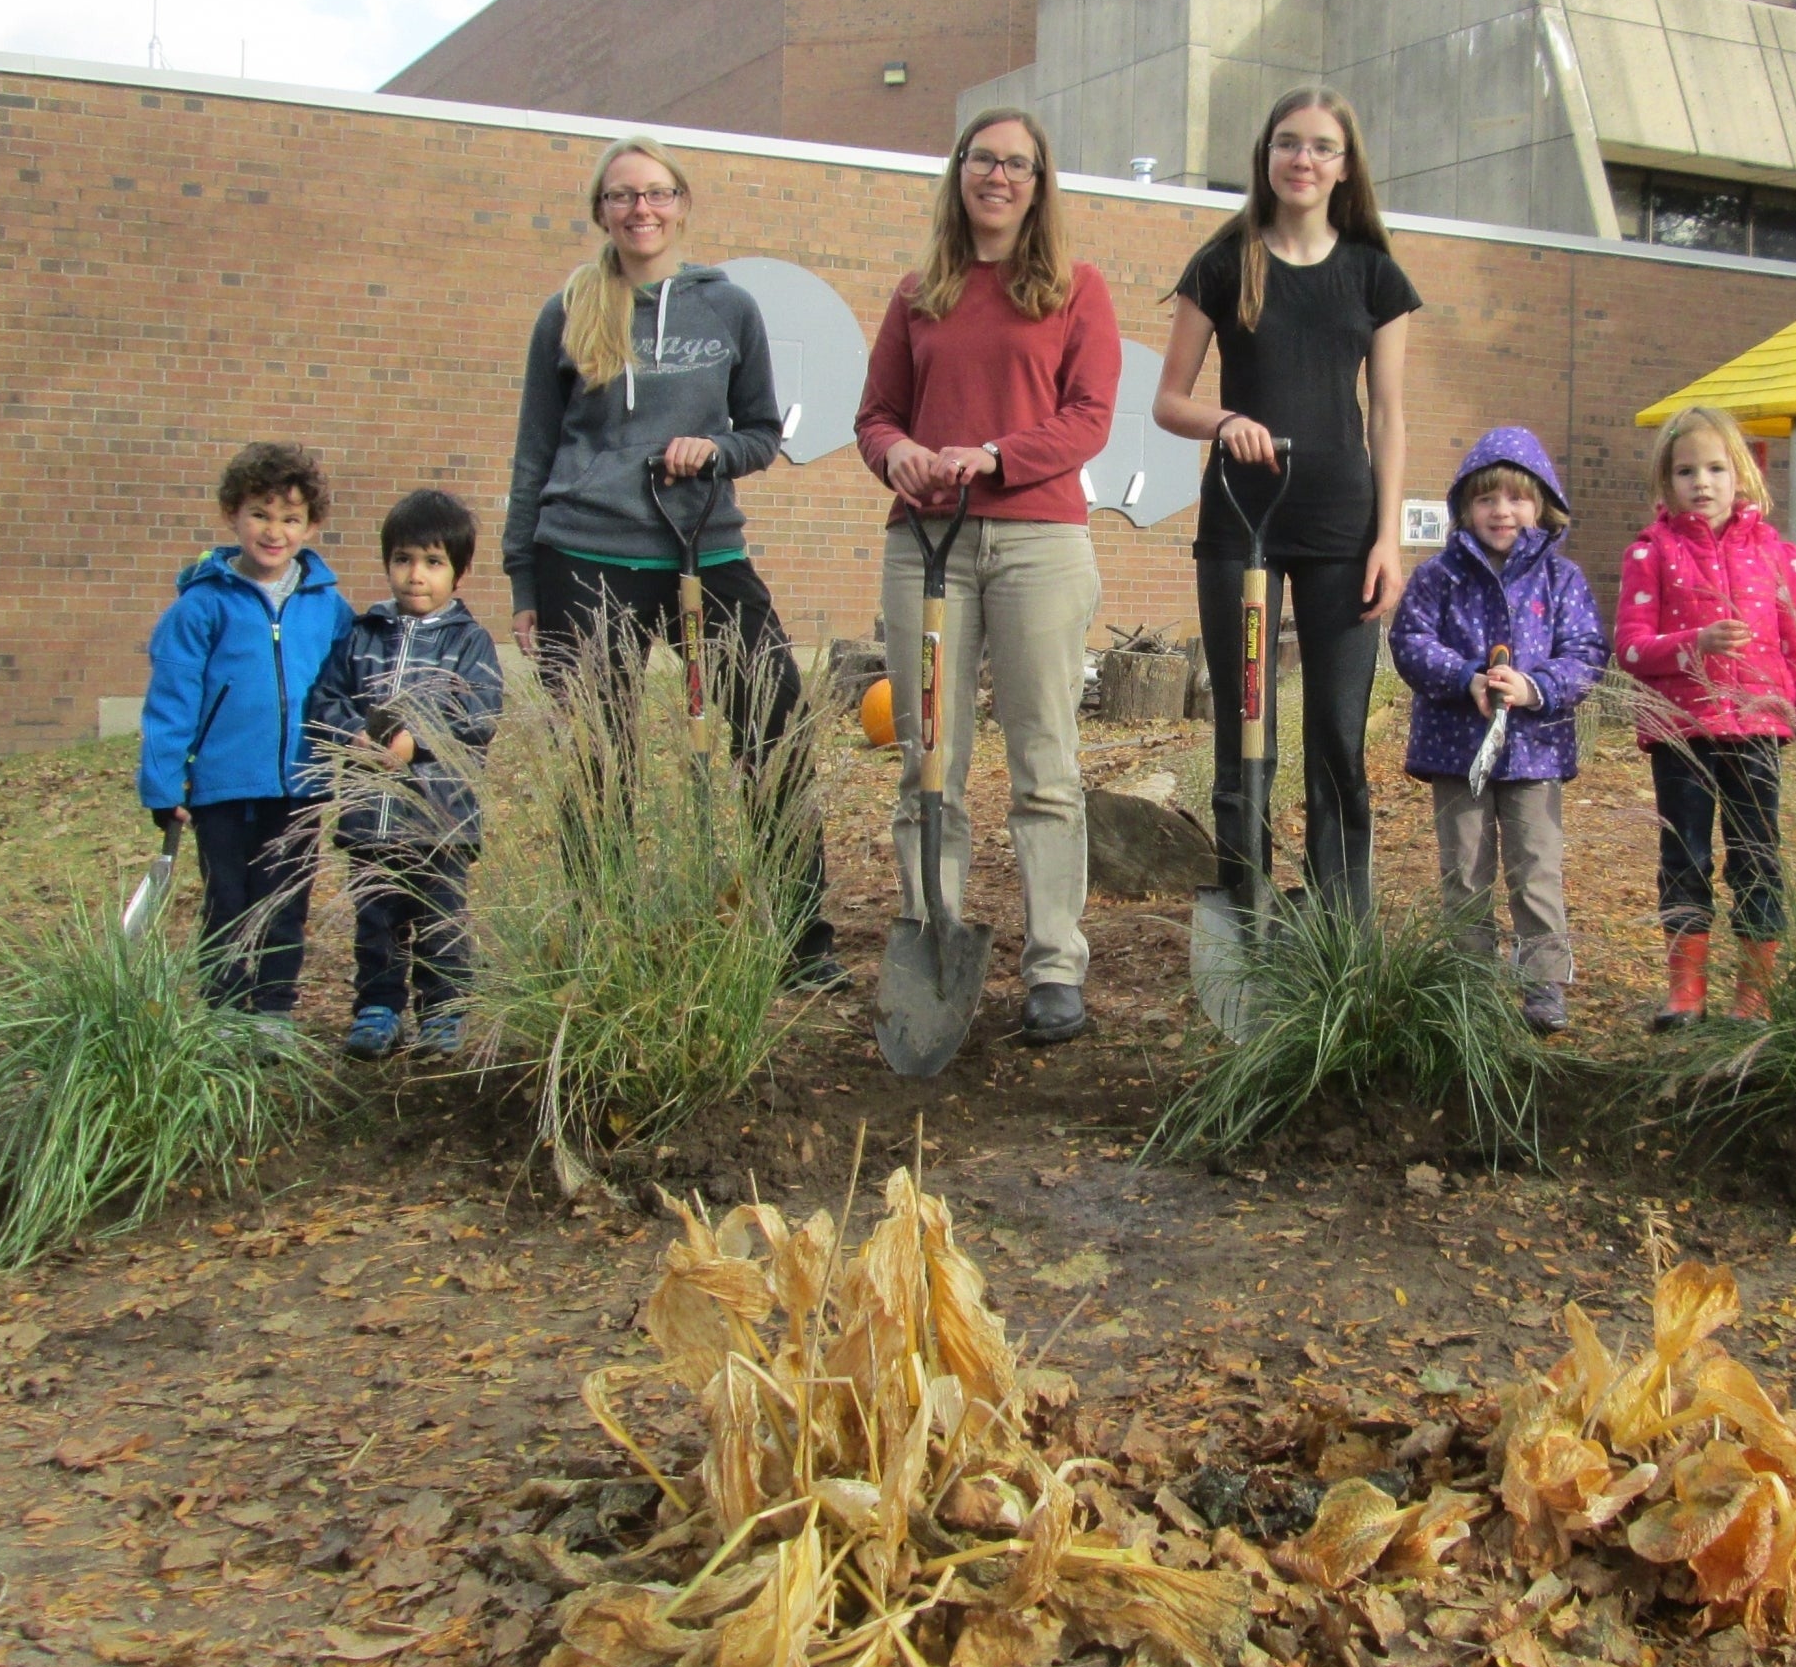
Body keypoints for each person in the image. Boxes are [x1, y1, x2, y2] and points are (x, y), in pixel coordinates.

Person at [502, 134, 840, 987]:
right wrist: (521, 577)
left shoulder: (729, 308)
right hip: (583, 552)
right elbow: (534, 451)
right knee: (598, 751)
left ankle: (800, 931)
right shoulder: (567, 310)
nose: (640, 209)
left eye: (655, 193)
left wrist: (715, 451)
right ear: (601, 212)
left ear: (682, 204)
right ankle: (603, 930)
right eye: (622, 196)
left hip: (703, 546)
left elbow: (763, 431)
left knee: (774, 718)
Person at [854, 107, 1119, 1045]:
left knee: (1046, 761)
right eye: (983, 159)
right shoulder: (919, 291)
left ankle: (1054, 963)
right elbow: (876, 417)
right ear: (958, 169)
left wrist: (993, 456)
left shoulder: (1075, 290)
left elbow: (1090, 418)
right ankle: (936, 935)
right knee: (930, 761)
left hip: (1038, 546)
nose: (998, 177)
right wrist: (904, 458)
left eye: (1019, 165)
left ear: (1040, 185)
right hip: (926, 547)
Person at [1152, 87, 1417, 913]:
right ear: (1266, 156)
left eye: (1322, 147)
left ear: (1345, 167)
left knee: (1337, 733)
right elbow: (1169, 401)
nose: (1304, 160)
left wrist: (1388, 541)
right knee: (1246, 724)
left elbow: (1390, 414)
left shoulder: (1374, 273)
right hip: (1242, 527)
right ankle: (1249, 904)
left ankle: (1340, 919)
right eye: (1288, 143)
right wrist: (1227, 419)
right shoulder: (1226, 261)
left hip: (1344, 527)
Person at [1611, 405, 1796, 1028]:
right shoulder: (1650, 553)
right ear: (1666, 482)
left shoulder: (1777, 555)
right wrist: (1694, 645)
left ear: (1743, 476)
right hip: (1681, 736)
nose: (1702, 483)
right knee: (1684, 854)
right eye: (1686, 471)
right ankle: (1686, 992)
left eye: (1716, 468)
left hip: (1759, 732)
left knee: (1758, 856)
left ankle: (1754, 996)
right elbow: (1630, 647)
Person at [1387, 429, 1608, 1034]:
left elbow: (1587, 651)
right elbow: (1408, 642)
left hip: (1535, 752)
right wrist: (1466, 678)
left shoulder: (1562, 581)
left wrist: (1536, 687)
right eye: (1487, 500)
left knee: (1536, 868)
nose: (1501, 512)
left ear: (1541, 505)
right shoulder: (1438, 577)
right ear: (1465, 506)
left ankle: (1543, 983)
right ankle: (1471, 982)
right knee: (1465, 868)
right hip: (1455, 752)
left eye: (1515, 499)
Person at [137, 441, 354, 1024]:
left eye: (290, 518)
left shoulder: (328, 608)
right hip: (223, 789)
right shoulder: (202, 607)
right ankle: (226, 1015)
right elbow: (172, 701)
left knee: (284, 905)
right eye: (260, 514)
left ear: (311, 526)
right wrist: (164, 784)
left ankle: (273, 1013)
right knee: (228, 904)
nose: (274, 531)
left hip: (300, 785)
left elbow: (347, 686)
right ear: (233, 514)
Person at [313, 489, 504, 1060]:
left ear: (459, 572)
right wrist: (353, 732)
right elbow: (325, 698)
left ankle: (443, 1013)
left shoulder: (468, 642)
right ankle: (378, 1009)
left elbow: (481, 714)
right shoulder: (362, 634)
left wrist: (415, 742)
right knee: (376, 919)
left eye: (432, 561)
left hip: (439, 817)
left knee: (441, 920)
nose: (415, 575)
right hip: (371, 813)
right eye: (403, 560)